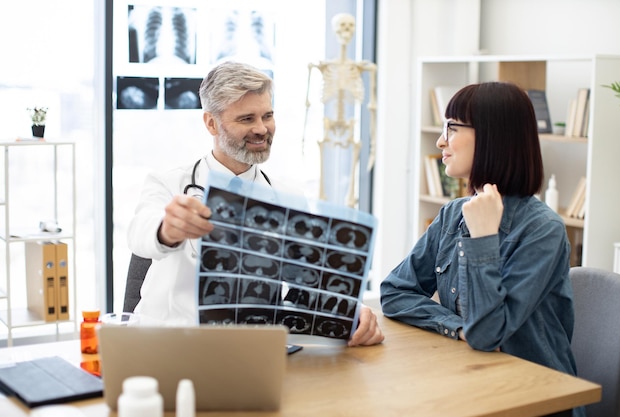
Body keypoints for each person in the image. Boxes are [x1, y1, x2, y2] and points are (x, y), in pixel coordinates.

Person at [127, 61, 383, 347]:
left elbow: (308, 282)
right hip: (171, 343)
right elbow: (140, 235)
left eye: (268, 116)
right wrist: (168, 229)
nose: (262, 129)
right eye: (247, 119)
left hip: (253, 349)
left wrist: (345, 310)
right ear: (211, 123)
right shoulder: (169, 183)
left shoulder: (286, 194)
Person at [380, 81, 582, 416]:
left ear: (492, 136)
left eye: (452, 128)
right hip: (473, 384)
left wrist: (483, 238)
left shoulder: (542, 230)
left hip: (534, 401)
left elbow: (487, 334)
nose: (440, 140)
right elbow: (395, 291)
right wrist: (456, 328)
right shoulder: (452, 213)